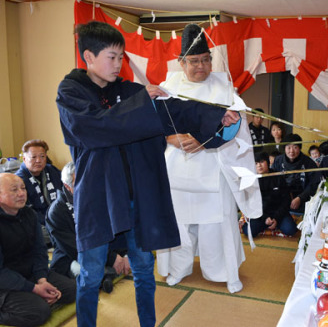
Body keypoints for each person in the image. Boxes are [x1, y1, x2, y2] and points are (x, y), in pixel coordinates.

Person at [56, 21, 240, 327]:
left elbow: (174, 111)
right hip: (97, 197)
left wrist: (217, 116)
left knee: (143, 270)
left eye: (121, 57)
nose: (118, 65)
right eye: (111, 57)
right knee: (89, 275)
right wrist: (143, 103)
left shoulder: (129, 91)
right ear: (88, 57)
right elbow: (96, 126)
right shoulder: (71, 92)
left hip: (134, 196)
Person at [156, 23, 262, 294]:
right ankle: (178, 269)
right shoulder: (167, 89)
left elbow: (239, 133)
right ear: (181, 62)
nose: (201, 66)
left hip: (213, 169)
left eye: (205, 60)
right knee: (179, 223)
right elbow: (151, 127)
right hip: (176, 170)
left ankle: (223, 272)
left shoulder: (225, 90)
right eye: (194, 61)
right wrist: (171, 138)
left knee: (216, 222)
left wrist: (206, 141)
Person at [0, 173, 76, 327]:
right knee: (39, 312)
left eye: (23, 188)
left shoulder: (29, 214)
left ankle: (32, 294)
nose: (21, 193)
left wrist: (42, 279)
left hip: (29, 274)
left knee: (74, 290)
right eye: (14, 190)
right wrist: (34, 289)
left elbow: (40, 251)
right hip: (4, 282)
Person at [46, 162, 130, 294]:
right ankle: (105, 274)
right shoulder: (56, 212)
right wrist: (111, 258)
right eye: (78, 183)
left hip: (100, 249)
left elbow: (111, 230)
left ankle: (106, 273)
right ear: (68, 187)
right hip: (71, 256)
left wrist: (123, 254)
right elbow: (72, 246)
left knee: (133, 256)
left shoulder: (95, 199)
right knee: (89, 275)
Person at [16, 139, 62, 246]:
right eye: (33, 157)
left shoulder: (52, 171)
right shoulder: (19, 179)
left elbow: (65, 194)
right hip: (37, 222)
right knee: (38, 233)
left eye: (42, 156)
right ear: (24, 159)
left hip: (57, 217)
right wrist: (51, 222)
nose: (38, 160)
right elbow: (25, 211)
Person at [242, 152, 296, 237]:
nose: (259, 165)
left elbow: (286, 200)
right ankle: (268, 224)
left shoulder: (278, 176)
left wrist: (276, 218)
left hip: (278, 213)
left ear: (268, 162)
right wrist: (265, 218)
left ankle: (274, 223)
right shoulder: (252, 181)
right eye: (256, 163)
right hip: (260, 214)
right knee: (248, 231)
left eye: (262, 162)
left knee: (291, 230)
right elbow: (252, 204)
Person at [271, 133, 321, 213]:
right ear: (284, 148)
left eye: (295, 147)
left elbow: (314, 183)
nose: (291, 151)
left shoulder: (309, 163)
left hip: (303, 200)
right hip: (282, 200)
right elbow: (272, 179)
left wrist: (300, 198)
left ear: (300, 148)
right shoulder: (278, 160)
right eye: (289, 147)